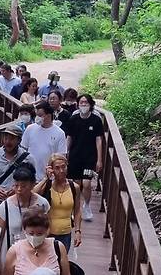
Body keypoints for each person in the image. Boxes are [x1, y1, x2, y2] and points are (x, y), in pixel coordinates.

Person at [0, 206, 71, 275]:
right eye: (31, 233)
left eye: (39, 234)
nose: (35, 237)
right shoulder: (14, 251)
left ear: (47, 231)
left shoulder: (58, 247)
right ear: (24, 230)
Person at [0, 123, 35, 220]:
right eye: (6, 138)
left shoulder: (27, 159)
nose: (7, 142)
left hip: (19, 202)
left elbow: (33, 181)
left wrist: (17, 190)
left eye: (11, 139)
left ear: (19, 140)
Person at [0, 162, 50, 251]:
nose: (19, 189)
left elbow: (48, 228)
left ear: (32, 185)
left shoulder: (43, 204)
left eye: (23, 186)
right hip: (11, 253)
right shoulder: (5, 206)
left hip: (35, 252)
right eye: (16, 186)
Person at [66, 93, 103, 222]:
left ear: (90, 104)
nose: (83, 105)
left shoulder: (96, 120)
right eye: (81, 102)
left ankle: (86, 205)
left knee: (86, 183)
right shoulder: (73, 119)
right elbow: (69, 137)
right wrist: (66, 153)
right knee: (76, 184)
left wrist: (99, 159)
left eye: (86, 102)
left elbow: (99, 140)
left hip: (89, 157)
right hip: (75, 156)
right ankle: (75, 207)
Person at [35, 153, 82, 253]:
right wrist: (46, 178)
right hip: (47, 233)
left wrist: (77, 231)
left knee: (61, 263)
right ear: (51, 169)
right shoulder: (47, 186)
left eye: (63, 167)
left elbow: (77, 210)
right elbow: (33, 194)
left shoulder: (74, 187)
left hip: (65, 233)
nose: (61, 171)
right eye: (57, 168)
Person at [20, 101, 68, 181]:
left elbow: (61, 157)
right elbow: (22, 150)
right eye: (36, 115)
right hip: (30, 176)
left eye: (40, 115)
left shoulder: (59, 133)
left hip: (49, 178)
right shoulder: (30, 129)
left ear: (48, 115)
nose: (37, 118)